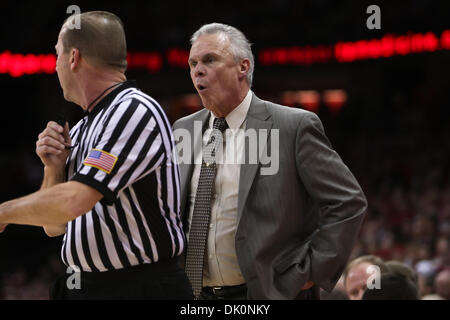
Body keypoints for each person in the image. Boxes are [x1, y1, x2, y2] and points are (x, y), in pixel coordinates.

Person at [0, 11, 193, 299]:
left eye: (57, 55)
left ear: (74, 57)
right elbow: (54, 226)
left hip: (140, 287)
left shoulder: (134, 110)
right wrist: (53, 169)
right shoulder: (82, 128)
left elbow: (75, 201)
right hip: (86, 285)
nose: (55, 67)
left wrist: (3, 213)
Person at [172, 22, 367, 300]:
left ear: (243, 67)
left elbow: (347, 202)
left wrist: (312, 270)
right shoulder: (183, 129)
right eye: (192, 63)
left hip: (268, 294)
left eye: (210, 60)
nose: (197, 70)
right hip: (195, 295)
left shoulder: (292, 126)